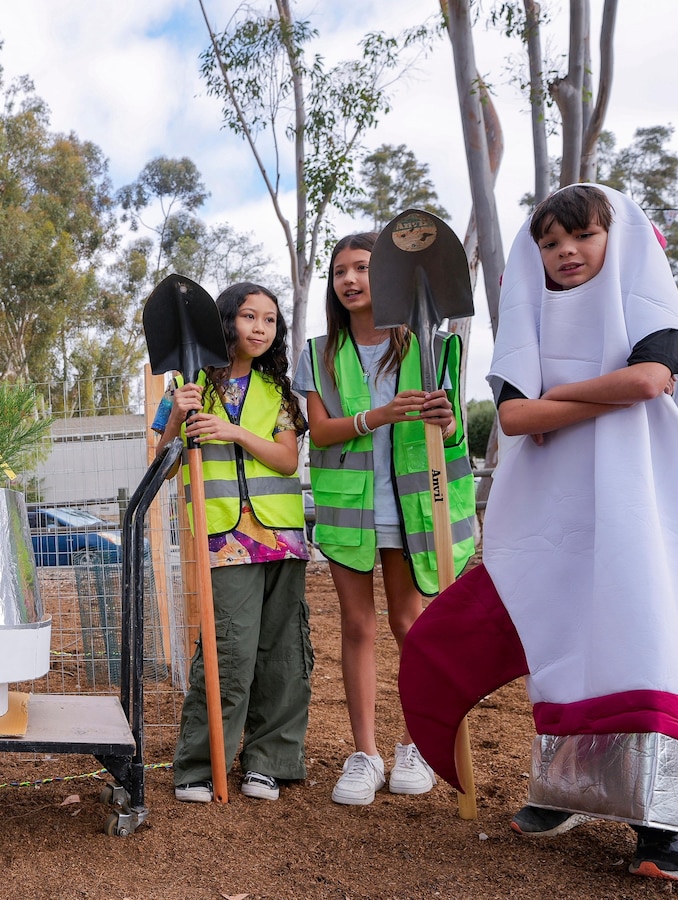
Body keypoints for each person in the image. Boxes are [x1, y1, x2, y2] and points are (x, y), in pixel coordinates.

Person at [398, 184, 678, 882]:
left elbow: (650, 380)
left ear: (617, 240)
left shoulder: (644, 300)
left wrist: (557, 399)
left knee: (648, 643)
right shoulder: (536, 318)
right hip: (562, 514)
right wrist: (561, 401)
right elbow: (515, 420)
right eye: (549, 243)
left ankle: (660, 824)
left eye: (582, 237)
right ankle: (566, 788)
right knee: (569, 643)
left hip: (647, 508)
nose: (566, 253)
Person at [292, 232, 474, 806]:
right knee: (358, 626)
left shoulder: (430, 346)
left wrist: (443, 420)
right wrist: (377, 416)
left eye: (363, 268)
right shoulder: (318, 354)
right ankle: (364, 753)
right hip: (351, 510)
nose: (350, 280)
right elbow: (319, 432)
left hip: (412, 509)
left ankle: (415, 744)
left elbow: (451, 430)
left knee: (408, 623)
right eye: (340, 271)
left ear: (387, 277)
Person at [152, 282, 311, 804]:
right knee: (230, 651)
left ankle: (269, 761)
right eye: (249, 317)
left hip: (282, 538)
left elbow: (287, 460)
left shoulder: (278, 390)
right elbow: (162, 455)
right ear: (226, 323)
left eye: (269, 320)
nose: (260, 328)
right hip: (227, 537)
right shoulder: (186, 384)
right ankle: (202, 763)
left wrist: (234, 432)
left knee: (282, 653)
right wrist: (179, 414)